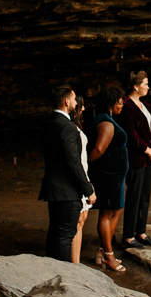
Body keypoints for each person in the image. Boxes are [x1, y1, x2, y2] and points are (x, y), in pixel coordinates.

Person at [39, 84, 96, 262]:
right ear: (66, 102)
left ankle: (51, 271)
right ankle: (64, 280)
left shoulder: (49, 123)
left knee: (55, 235)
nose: (74, 102)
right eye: (73, 99)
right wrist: (88, 190)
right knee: (64, 238)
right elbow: (73, 163)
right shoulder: (68, 128)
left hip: (53, 190)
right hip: (67, 192)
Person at [87, 86, 129, 273]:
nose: (122, 104)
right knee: (107, 213)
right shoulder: (106, 123)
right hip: (108, 176)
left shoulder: (108, 120)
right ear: (111, 103)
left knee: (117, 210)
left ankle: (104, 250)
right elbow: (97, 150)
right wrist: (84, 167)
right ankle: (108, 256)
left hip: (116, 176)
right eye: (120, 101)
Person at [120, 71, 151, 251]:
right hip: (137, 158)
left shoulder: (145, 105)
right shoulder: (126, 106)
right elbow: (131, 135)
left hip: (149, 157)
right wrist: (148, 150)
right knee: (134, 197)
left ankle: (141, 232)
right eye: (145, 83)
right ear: (136, 86)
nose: (148, 87)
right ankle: (128, 236)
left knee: (145, 196)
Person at [70, 96, 92, 265]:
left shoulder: (76, 127)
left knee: (82, 220)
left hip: (84, 174)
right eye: (81, 106)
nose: (83, 110)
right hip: (78, 179)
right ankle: (74, 263)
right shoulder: (70, 128)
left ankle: (76, 263)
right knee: (77, 221)